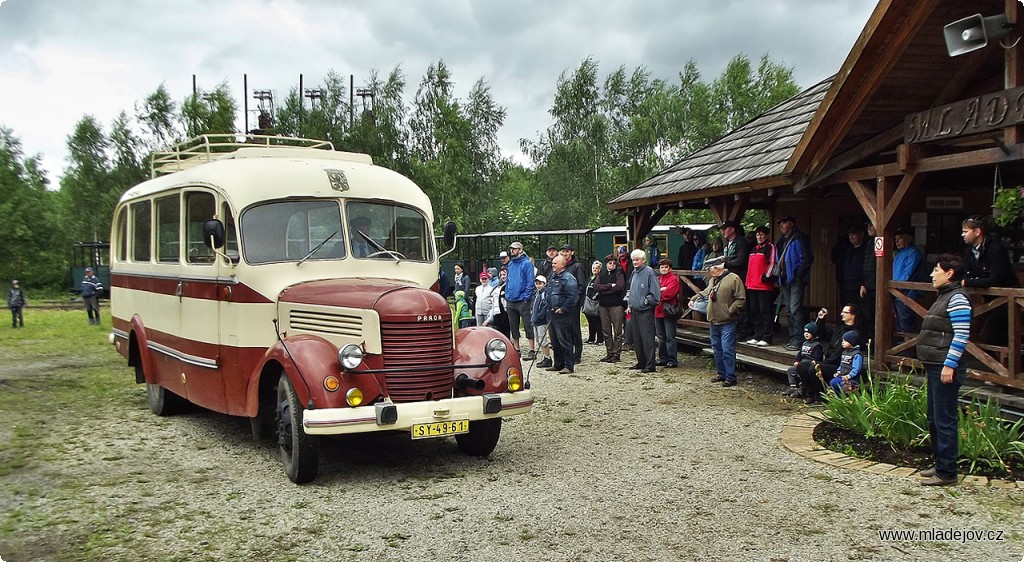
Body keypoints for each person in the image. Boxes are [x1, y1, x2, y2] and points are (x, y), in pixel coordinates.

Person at [916, 253, 973, 486]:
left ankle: (947, 472)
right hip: (936, 365)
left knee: (945, 419)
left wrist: (949, 365)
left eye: (936, 270)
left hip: (945, 367)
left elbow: (961, 335)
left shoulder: (958, 298)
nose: (932, 274)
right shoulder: (945, 296)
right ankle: (940, 463)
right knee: (934, 417)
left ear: (949, 273)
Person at [961, 214, 1018, 344]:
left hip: (1007, 301)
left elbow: (995, 279)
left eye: (965, 231)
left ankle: (1002, 364)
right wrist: (968, 280)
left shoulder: (995, 248)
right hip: (988, 301)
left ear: (977, 232)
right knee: (978, 334)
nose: (962, 235)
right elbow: (968, 274)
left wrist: (968, 282)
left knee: (990, 336)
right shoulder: (969, 252)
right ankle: (998, 363)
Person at [690, 256, 746, 387]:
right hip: (713, 321)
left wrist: (729, 311)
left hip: (727, 321)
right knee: (717, 348)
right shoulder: (713, 280)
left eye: (709, 269)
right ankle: (722, 373)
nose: (708, 272)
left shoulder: (734, 279)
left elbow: (741, 299)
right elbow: (706, 291)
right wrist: (695, 297)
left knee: (727, 349)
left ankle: (731, 376)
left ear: (716, 268)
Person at [798, 303, 862, 404]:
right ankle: (811, 394)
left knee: (814, 369)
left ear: (853, 315)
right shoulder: (839, 327)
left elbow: (841, 352)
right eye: (842, 312)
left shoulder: (854, 333)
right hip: (828, 360)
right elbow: (824, 335)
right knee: (801, 366)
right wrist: (821, 320)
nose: (842, 314)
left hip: (839, 365)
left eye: (845, 312)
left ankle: (821, 398)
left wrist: (825, 361)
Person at [776, 215, 814, 351]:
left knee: (795, 309)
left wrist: (797, 275)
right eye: (780, 223)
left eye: (784, 223)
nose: (781, 225)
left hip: (796, 280)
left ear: (791, 224)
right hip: (784, 279)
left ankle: (799, 340)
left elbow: (807, 258)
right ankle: (793, 338)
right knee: (789, 310)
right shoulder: (781, 241)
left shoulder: (800, 238)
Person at [627, 249, 661, 373]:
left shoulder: (650, 273)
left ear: (643, 260)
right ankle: (641, 362)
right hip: (634, 310)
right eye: (633, 260)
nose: (635, 262)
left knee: (647, 338)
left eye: (637, 260)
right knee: (637, 338)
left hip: (645, 311)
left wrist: (645, 302)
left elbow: (655, 294)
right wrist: (630, 304)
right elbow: (631, 289)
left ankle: (650, 365)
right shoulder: (634, 273)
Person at [545, 255, 579, 374]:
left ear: (562, 265)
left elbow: (573, 297)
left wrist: (563, 309)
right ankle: (558, 364)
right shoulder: (552, 276)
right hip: (551, 313)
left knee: (564, 340)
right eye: (552, 263)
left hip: (562, 314)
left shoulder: (568, 278)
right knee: (554, 341)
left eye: (555, 263)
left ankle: (569, 365)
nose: (553, 265)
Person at [744, 225, 777, 347]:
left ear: (766, 235)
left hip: (764, 285)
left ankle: (767, 337)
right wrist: (748, 282)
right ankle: (758, 335)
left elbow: (772, 263)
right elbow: (750, 267)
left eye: (762, 234)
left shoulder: (770, 247)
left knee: (765, 311)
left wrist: (766, 276)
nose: (759, 236)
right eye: (758, 234)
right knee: (754, 311)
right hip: (752, 285)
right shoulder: (754, 249)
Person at [504, 241, 537, 360]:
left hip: (522, 300)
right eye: (511, 248)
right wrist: (507, 294)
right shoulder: (511, 264)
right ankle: (516, 349)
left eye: (514, 248)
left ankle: (532, 350)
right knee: (513, 325)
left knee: (528, 324)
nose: (512, 250)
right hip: (510, 299)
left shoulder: (527, 263)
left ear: (520, 250)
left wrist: (526, 298)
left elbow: (530, 282)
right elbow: (508, 280)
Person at [594, 253, 626, 363]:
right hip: (603, 305)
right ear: (606, 264)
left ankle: (617, 354)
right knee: (606, 331)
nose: (612, 265)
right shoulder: (601, 274)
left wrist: (605, 289)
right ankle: (609, 353)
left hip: (616, 305)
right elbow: (596, 287)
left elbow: (619, 286)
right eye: (609, 263)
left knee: (617, 331)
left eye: (613, 263)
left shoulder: (619, 273)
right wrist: (609, 286)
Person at [892, 226, 923, 333]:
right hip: (895, 292)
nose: (896, 242)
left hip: (906, 293)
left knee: (906, 323)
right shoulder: (898, 254)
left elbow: (907, 273)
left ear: (908, 239)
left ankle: (907, 349)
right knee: (898, 323)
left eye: (899, 238)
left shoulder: (913, 253)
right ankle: (901, 348)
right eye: (895, 239)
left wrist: (898, 286)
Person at [560, 244, 587, 364]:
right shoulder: (561, 266)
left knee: (575, 328)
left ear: (572, 252)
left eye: (567, 251)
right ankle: (568, 352)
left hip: (573, 303)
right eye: (563, 251)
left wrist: (575, 300)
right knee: (565, 329)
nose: (565, 253)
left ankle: (577, 354)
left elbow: (581, 285)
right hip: (562, 303)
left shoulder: (577, 266)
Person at [783, 323, 823, 397]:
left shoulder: (817, 345)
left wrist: (811, 363)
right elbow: (799, 354)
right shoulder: (804, 343)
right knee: (791, 370)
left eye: (809, 333)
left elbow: (817, 358)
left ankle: (802, 390)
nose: (806, 334)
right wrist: (797, 361)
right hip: (801, 363)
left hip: (809, 365)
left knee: (803, 374)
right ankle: (793, 388)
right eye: (805, 332)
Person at [655, 259, 681, 368]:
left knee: (670, 337)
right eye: (662, 267)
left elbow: (669, 294)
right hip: (657, 310)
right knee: (661, 337)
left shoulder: (674, 279)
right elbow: (652, 291)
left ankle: (672, 360)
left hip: (669, 311)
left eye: (666, 267)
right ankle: (663, 358)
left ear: (670, 268)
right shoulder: (657, 279)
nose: (664, 269)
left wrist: (660, 291)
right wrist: (662, 290)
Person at [839, 225, 867, 308]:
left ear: (861, 235)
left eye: (853, 234)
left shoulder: (866, 249)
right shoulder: (848, 250)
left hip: (859, 287)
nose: (851, 237)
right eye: (849, 235)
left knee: (859, 311)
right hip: (847, 286)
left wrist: (864, 284)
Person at [859, 222, 878, 343]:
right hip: (868, 286)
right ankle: (869, 344)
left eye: (872, 225)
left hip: (877, 286)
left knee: (876, 317)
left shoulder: (882, 241)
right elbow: (865, 266)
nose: (869, 228)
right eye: (868, 226)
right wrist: (863, 284)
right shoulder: (870, 242)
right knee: (868, 316)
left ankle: (876, 346)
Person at [530, 275, 553, 368]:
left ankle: (547, 358)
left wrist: (539, 316)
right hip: (535, 320)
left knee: (543, 340)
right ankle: (545, 357)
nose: (538, 286)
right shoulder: (536, 293)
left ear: (544, 284)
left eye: (540, 284)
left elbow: (544, 307)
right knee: (538, 340)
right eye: (536, 284)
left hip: (541, 321)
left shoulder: (544, 294)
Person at [584, 261, 605, 345]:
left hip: (596, 303)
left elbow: (599, 290)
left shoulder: (601, 278)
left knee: (597, 321)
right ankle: (591, 338)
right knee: (590, 321)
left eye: (597, 268)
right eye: (593, 268)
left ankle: (600, 339)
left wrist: (595, 297)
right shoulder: (591, 278)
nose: (595, 269)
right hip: (588, 302)